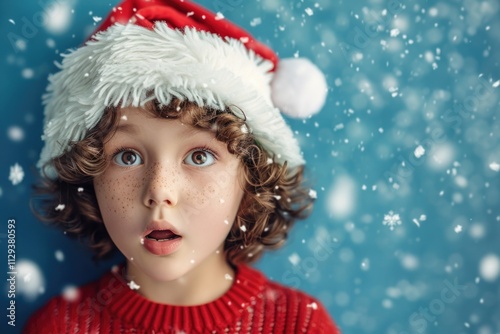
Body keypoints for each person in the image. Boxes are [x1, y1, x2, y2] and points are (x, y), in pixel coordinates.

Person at [24, 0, 338, 333]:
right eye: (127, 156)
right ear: (89, 176)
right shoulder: (60, 326)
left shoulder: (299, 324)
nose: (159, 190)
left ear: (251, 178)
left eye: (199, 156)